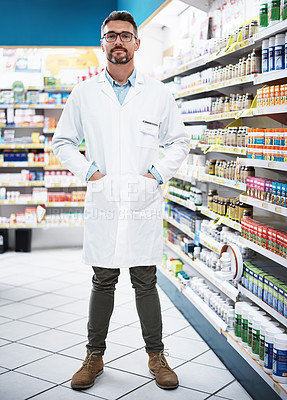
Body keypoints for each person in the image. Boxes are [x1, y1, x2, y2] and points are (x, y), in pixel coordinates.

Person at [52, 10, 189, 391]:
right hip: (106, 199)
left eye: (125, 36)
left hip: (142, 201)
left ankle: (157, 356)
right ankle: (94, 356)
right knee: (103, 278)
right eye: (111, 36)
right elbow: (62, 142)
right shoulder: (84, 94)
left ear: (137, 43)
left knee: (145, 279)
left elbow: (179, 141)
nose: (118, 42)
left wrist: (156, 176)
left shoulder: (158, 93)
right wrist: (91, 173)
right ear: (103, 43)